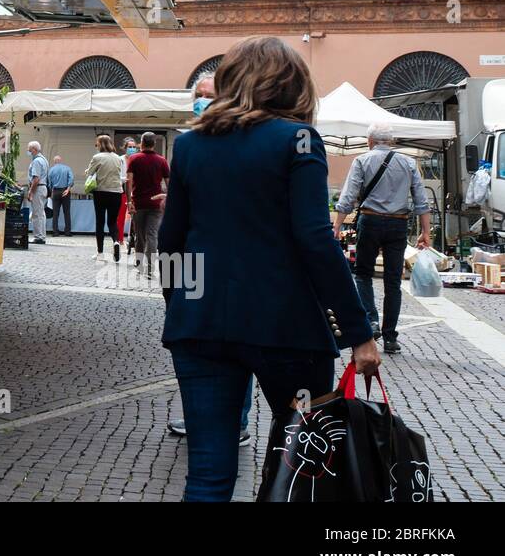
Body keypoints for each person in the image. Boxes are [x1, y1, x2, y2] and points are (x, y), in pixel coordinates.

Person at [158, 36, 381, 503]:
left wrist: (178, 303)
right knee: (296, 467)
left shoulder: (192, 144)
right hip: (287, 329)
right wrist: (359, 331)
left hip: (201, 326)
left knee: (208, 475)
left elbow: (171, 240)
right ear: (291, 84)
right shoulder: (297, 140)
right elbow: (315, 238)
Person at [166, 76, 252, 445]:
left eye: (208, 96)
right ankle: (199, 416)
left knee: (238, 344)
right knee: (198, 342)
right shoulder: (187, 146)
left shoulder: (250, 146)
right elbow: (172, 228)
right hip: (195, 267)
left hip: (238, 267)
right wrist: (171, 288)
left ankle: (238, 420)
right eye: (197, 97)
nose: (201, 102)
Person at [333, 123, 432, 355]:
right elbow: (421, 200)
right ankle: (390, 338)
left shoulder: (362, 160)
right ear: (392, 142)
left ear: (370, 141)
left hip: (371, 221)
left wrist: (337, 225)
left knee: (363, 273)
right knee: (392, 281)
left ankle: (371, 321)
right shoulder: (408, 163)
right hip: (398, 223)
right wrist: (426, 232)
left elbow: (348, 196)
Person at [125, 131, 168, 278]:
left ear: (141, 143)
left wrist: (129, 202)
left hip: (138, 203)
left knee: (140, 235)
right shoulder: (162, 161)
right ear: (154, 144)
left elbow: (128, 181)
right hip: (156, 203)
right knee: (152, 235)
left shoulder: (134, 159)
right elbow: (169, 184)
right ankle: (150, 269)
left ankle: (139, 265)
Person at [84, 135, 124, 261]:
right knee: (112, 222)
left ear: (100, 144)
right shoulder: (118, 158)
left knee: (100, 222)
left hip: (101, 193)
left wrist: (87, 171)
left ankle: (100, 253)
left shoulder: (97, 157)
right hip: (116, 193)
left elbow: (89, 172)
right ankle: (116, 241)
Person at [25, 140, 50, 245]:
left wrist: (30, 192)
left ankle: (38, 237)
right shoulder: (44, 160)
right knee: (41, 214)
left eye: (29, 149)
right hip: (42, 188)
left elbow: (36, 179)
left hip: (38, 189)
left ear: (34, 150)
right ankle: (42, 236)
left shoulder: (36, 161)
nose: (28, 151)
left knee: (36, 214)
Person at [116, 137, 136, 250]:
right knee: (121, 216)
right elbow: (116, 175)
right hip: (123, 190)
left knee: (135, 218)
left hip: (135, 190)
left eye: (134, 147)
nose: (132, 149)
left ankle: (133, 240)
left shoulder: (137, 159)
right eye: (130, 147)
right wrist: (125, 179)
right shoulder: (120, 159)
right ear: (125, 148)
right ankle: (120, 239)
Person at [47, 154, 73, 235]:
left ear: (54, 162)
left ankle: (55, 231)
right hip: (65, 191)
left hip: (55, 192)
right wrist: (68, 189)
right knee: (67, 212)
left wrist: (51, 192)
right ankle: (67, 232)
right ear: (61, 160)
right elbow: (71, 179)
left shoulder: (51, 170)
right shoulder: (67, 168)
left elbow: (49, 182)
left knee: (55, 212)